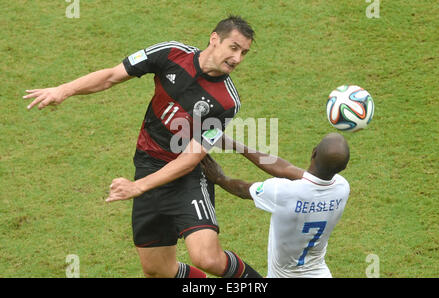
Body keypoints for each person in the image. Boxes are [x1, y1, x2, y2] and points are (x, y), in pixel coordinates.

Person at [23, 16, 262, 278]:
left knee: (206, 257)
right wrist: (64, 89)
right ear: (214, 39)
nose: (238, 58)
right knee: (157, 270)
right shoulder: (170, 53)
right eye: (234, 47)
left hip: (186, 177)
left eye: (244, 53)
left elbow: (190, 159)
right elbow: (112, 76)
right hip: (148, 164)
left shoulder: (227, 101)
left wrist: (138, 187)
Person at [201, 133, 351, 277]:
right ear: (343, 168)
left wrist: (219, 177)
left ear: (313, 152)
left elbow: (242, 190)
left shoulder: (284, 192)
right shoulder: (342, 188)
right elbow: (286, 170)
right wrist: (235, 145)